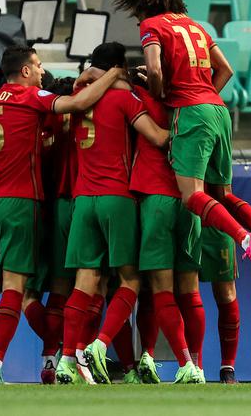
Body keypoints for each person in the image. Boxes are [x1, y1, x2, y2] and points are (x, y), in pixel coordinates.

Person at [0, 45, 124, 385]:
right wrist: (115, 73)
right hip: (20, 203)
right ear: (25, 71)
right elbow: (78, 104)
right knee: (18, 287)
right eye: (39, 66)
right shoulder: (32, 99)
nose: (43, 72)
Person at [114, 0, 251, 283]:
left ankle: (247, 240)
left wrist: (161, 94)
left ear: (145, 7)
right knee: (222, 194)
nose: (138, 21)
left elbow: (155, 70)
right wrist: (204, 95)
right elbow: (226, 70)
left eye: (137, 14)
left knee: (192, 195)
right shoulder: (196, 26)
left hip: (191, 112)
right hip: (219, 110)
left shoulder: (152, 26)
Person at [55, 42, 169, 385]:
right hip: (116, 196)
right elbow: (158, 137)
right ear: (119, 67)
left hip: (83, 198)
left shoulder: (79, 100)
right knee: (131, 279)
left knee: (85, 280)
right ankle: (99, 347)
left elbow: (81, 84)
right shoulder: (123, 98)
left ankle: (67, 359)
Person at [126, 68, 204, 384]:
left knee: (158, 288)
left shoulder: (139, 96)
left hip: (156, 199)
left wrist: (133, 77)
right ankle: (198, 365)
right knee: (191, 290)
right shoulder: (194, 103)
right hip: (191, 199)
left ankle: (184, 364)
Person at [21, 76, 79, 385]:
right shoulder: (74, 132)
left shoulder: (36, 129)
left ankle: (52, 356)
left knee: (27, 293)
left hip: (31, 211)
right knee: (63, 291)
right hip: (64, 207)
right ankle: (67, 353)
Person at [199, 226, 240, 384]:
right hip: (186, 221)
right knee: (186, 294)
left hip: (217, 226)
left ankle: (228, 368)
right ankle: (195, 367)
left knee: (226, 295)